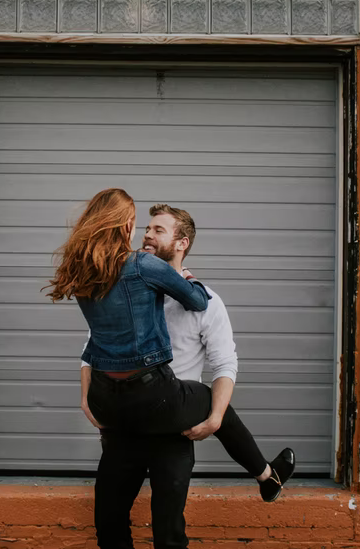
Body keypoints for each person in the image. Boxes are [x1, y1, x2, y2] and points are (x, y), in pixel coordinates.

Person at [46, 189, 294, 513]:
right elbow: (92, 342)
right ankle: (266, 475)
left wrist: (215, 419)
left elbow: (224, 362)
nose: (147, 234)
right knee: (109, 520)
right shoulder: (127, 279)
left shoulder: (206, 301)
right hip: (133, 419)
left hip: (172, 419)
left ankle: (266, 476)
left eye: (158, 230)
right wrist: (84, 395)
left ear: (182, 244)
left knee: (168, 532)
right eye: (146, 228)